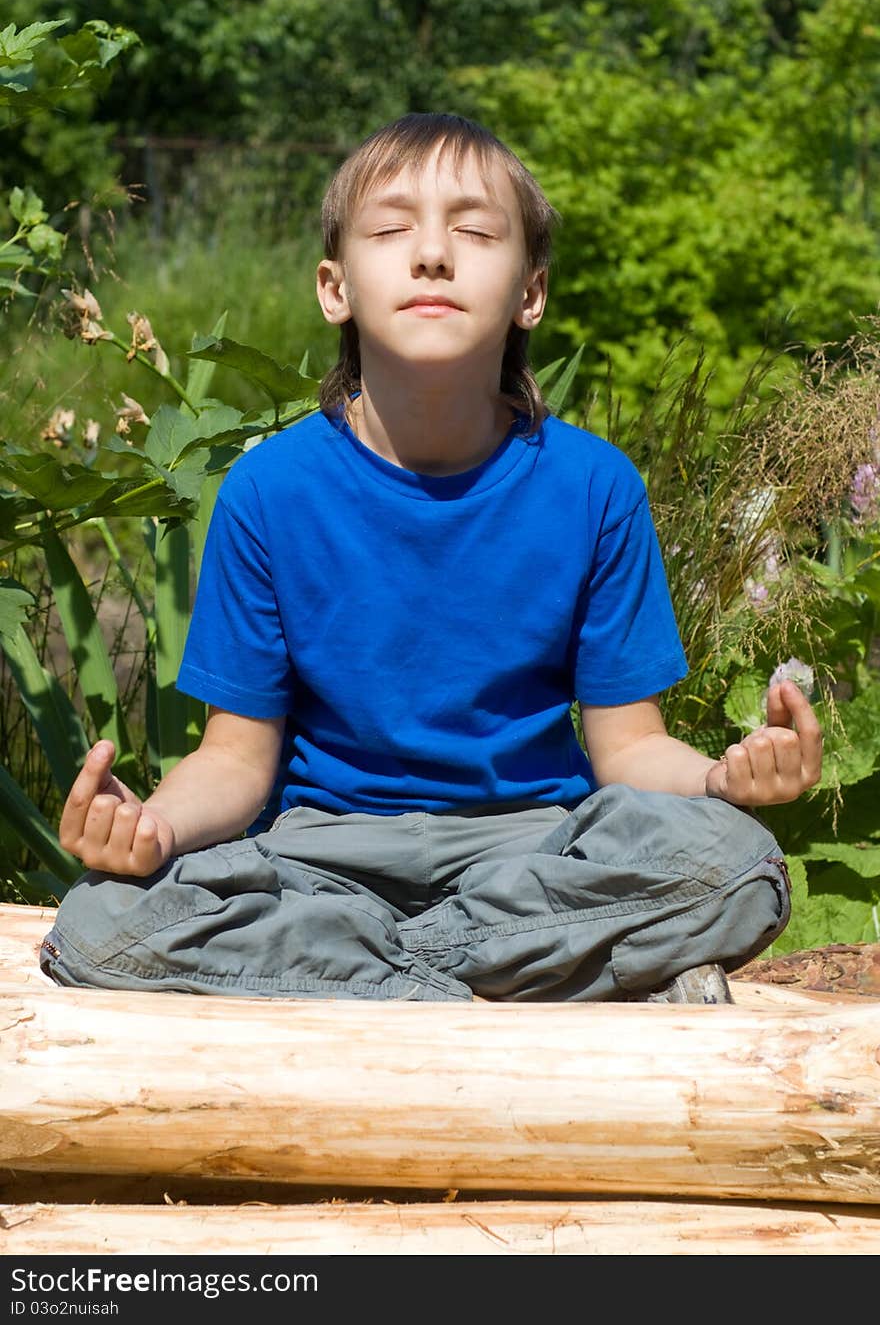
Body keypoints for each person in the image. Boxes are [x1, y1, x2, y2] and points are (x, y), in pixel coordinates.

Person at [40, 113, 822, 1005]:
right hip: (321, 862)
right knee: (99, 923)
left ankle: (372, 981)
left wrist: (719, 779)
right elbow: (236, 760)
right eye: (391, 229)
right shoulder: (270, 491)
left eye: (475, 231)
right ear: (335, 288)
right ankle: (516, 982)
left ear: (530, 293)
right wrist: (152, 827)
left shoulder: (595, 486)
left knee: (739, 860)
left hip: (537, 851)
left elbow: (629, 746)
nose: (433, 255)